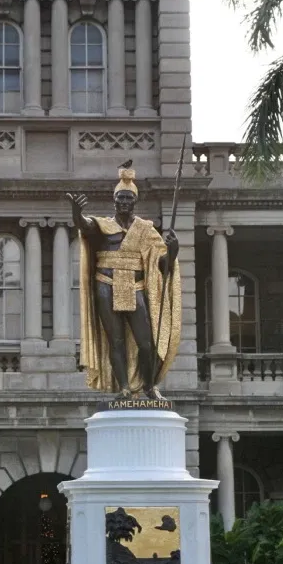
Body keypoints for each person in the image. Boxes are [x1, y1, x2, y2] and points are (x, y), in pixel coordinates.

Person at [67, 164, 181, 399]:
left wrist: (173, 251)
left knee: (146, 342)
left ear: (134, 201)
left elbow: (161, 266)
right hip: (105, 285)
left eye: (128, 198)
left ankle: (149, 387)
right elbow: (85, 226)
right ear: (114, 200)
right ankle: (124, 388)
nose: (124, 202)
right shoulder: (103, 225)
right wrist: (76, 214)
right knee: (115, 340)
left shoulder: (145, 230)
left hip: (135, 286)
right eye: (120, 198)